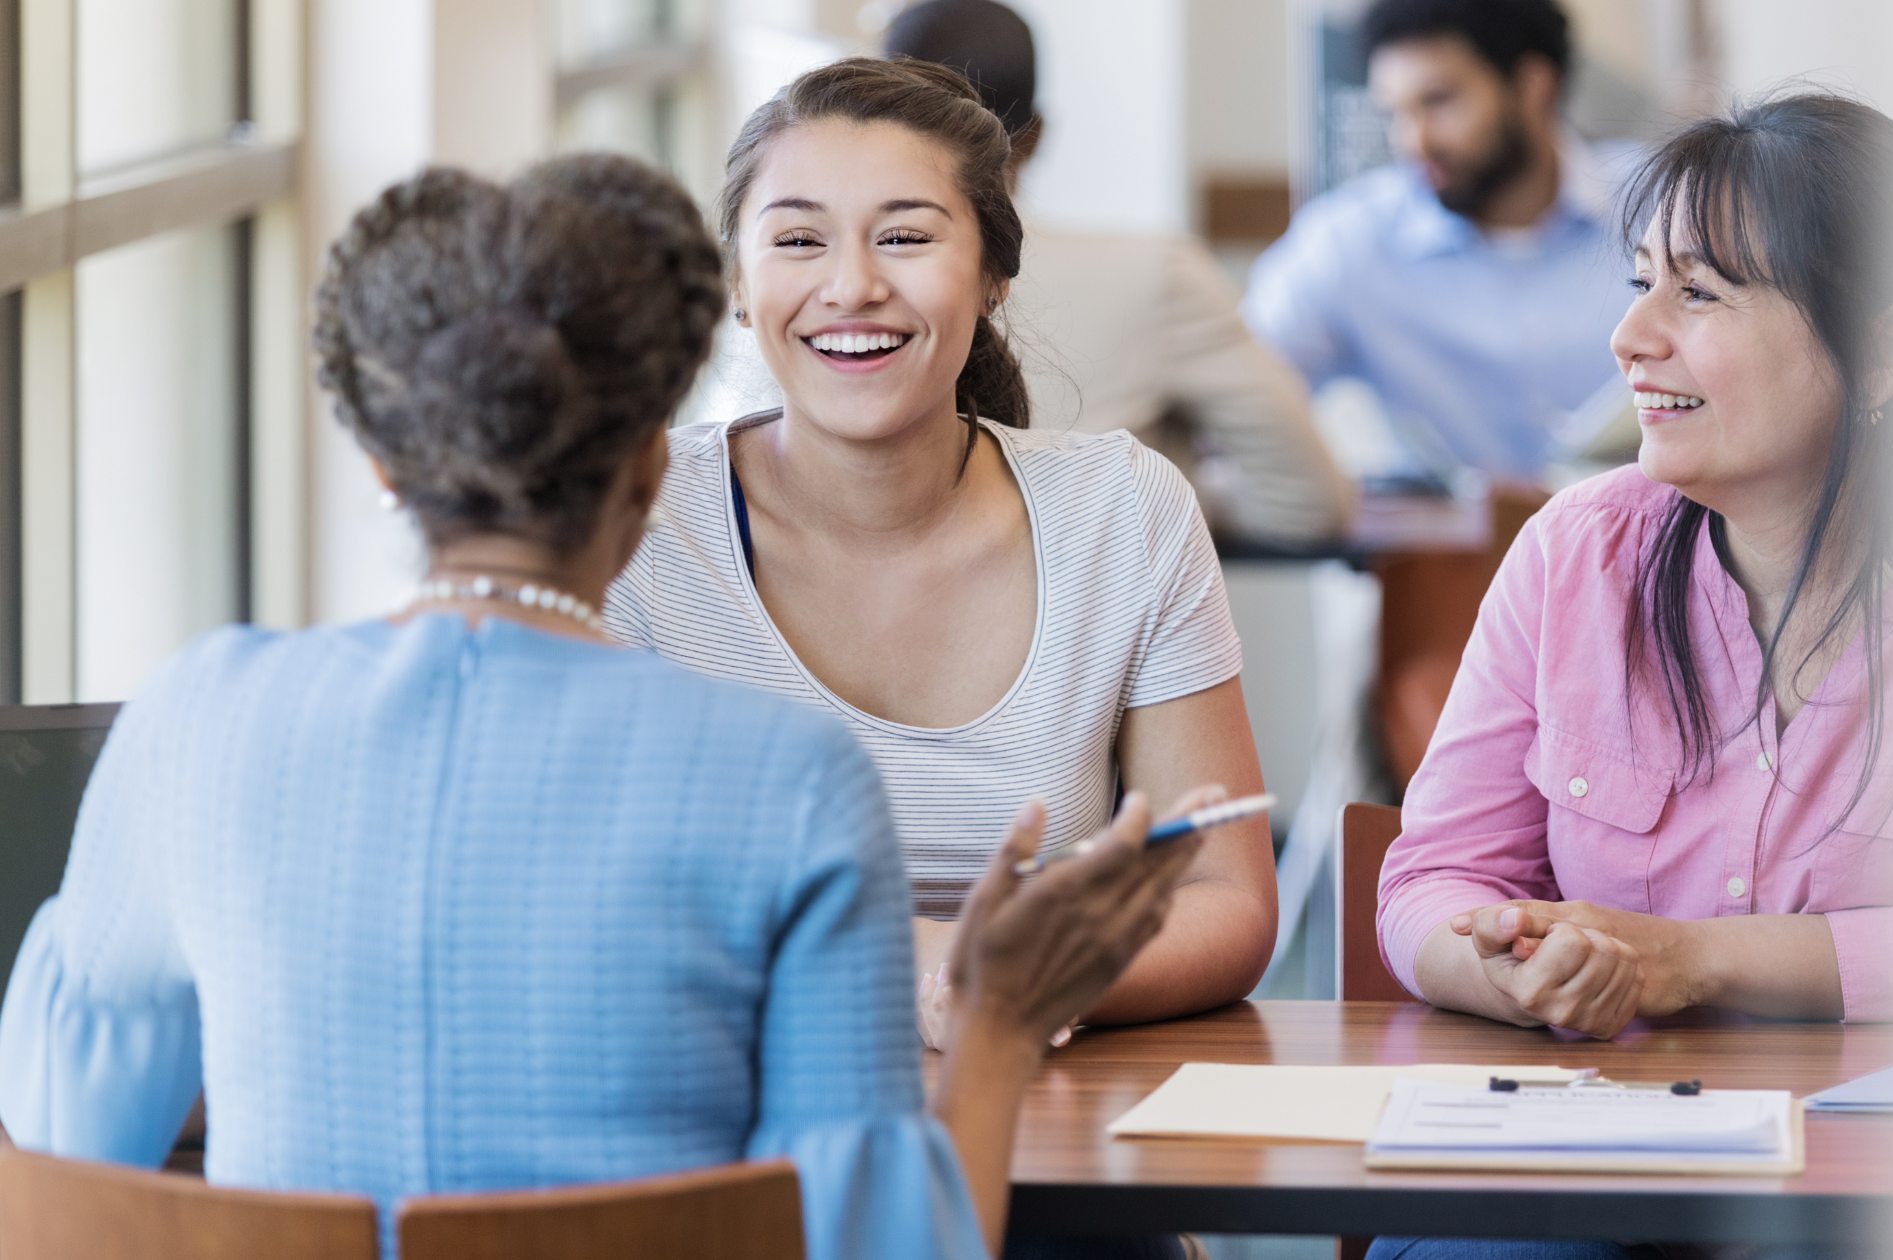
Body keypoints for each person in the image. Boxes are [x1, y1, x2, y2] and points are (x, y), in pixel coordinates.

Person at [0, 155, 1208, 1260]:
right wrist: (995, 1025)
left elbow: (63, 1136)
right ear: (650, 468)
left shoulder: (195, 718)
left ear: (381, 464)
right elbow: (884, 1247)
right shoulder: (785, 777)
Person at [1371, 94, 1893, 1258]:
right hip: (1583, 1155)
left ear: (1884, 350)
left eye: (1697, 293)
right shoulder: (1573, 553)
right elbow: (1433, 875)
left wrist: (1684, 960)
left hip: (1881, 1186)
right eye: (1637, 283)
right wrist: (1507, 970)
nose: (1630, 340)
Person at [605, 59, 1278, 1042]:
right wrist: (914, 976)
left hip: (1054, 1129)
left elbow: (1226, 895)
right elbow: (601, 904)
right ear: (740, 287)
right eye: (797, 240)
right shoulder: (635, 518)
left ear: (993, 275)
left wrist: (1002, 992)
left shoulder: (1121, 509)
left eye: (906, 238)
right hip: (727, 1132)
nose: (852, 286)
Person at [883, 0, 1354, 548]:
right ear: (1036, 134)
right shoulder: (1155, 275)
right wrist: (1151, 503)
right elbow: (1306, 502)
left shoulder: (826, 300)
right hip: (1098, 625)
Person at [1242, 0, 1636, 481]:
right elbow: (1238, 386)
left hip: (1659, 544)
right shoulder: (1351, 241)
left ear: (1532, 85)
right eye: (1395, 113)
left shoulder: (1668, 207)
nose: (1413, 142)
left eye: (1438, 102)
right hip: (1450, 553)